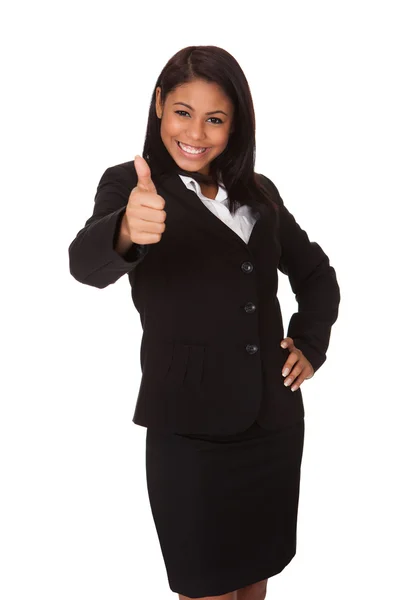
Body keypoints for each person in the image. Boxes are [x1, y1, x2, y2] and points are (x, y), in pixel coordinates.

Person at [68, 45, 340, 600]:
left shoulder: (259, 194)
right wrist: (126, 229)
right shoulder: (130, 186)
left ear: (235, 124)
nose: (197, 132)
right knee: (206, 587)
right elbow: (85, 264)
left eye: (215, 118)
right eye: (183, 112)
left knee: (253, 584)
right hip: (190, 432)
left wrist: (309, 342)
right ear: (159, 105)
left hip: (273, 425)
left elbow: (317, 273)